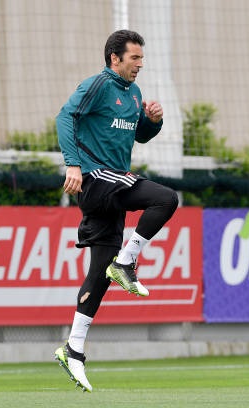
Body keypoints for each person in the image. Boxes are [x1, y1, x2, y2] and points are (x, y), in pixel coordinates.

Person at [53, 29, 179, 392]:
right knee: (165, 198)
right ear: (115, 59)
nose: (141, 64)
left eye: (141, 58)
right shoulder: (97, 85)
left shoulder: (134, 93)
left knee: (99, 274)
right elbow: (65, 117)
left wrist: (152, 121)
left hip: (111, 188)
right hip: (97, 181)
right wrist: (72, 164)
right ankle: (127, 261)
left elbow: (137, 135)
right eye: (135, 58)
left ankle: (73, 349)